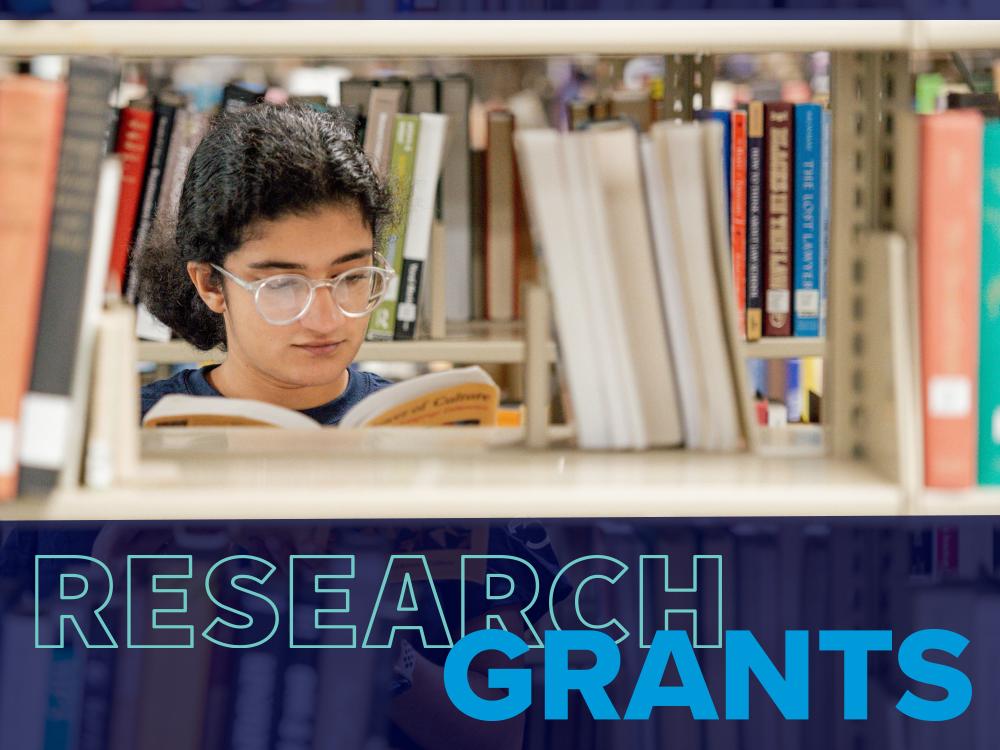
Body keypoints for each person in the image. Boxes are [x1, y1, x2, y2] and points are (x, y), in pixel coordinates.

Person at [137, 104, 394, 424]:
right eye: (283, 284)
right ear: (210, 284)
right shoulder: (136, 429)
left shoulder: (416, 421)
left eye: (351, 277)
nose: (326, 321)